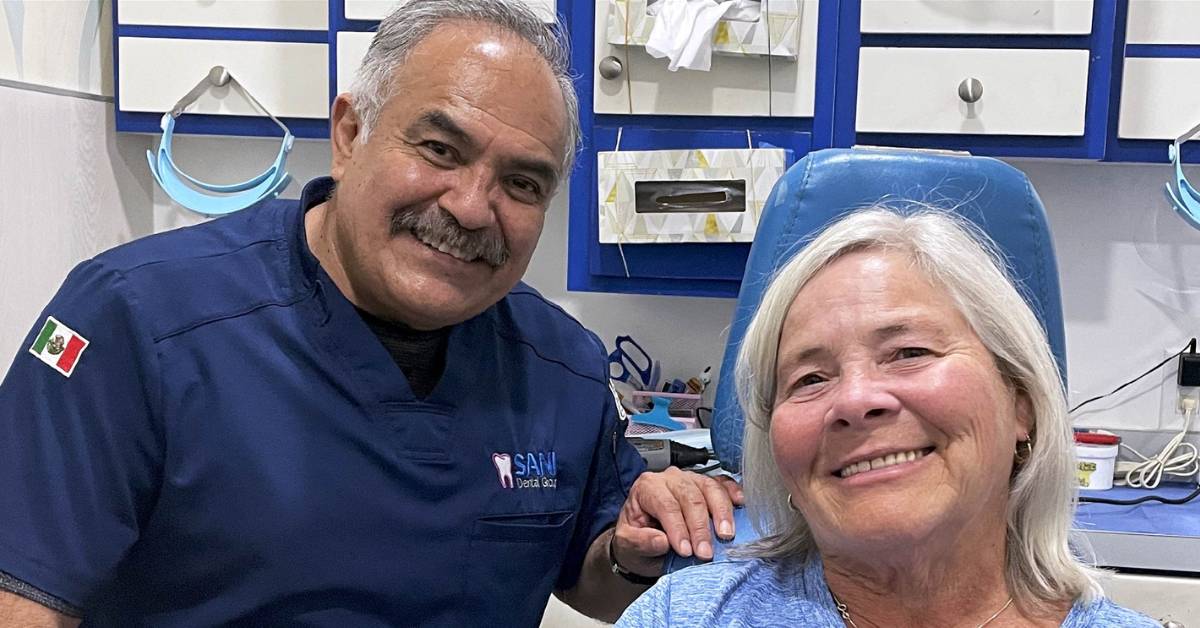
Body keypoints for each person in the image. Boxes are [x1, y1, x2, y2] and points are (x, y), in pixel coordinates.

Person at [0, 1, 741, 625]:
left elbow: (595, 577)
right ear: (350, 135)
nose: (472, 207)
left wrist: (634, 547)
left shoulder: (563, 369)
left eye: (521, 183)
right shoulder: (132, 323)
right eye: (441, 148)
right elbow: (24, 596)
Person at [618, 208, 1159, 627]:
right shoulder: (684, 617)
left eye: (910, 353)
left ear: (1021, 404)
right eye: (809, 379)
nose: (855, 400)